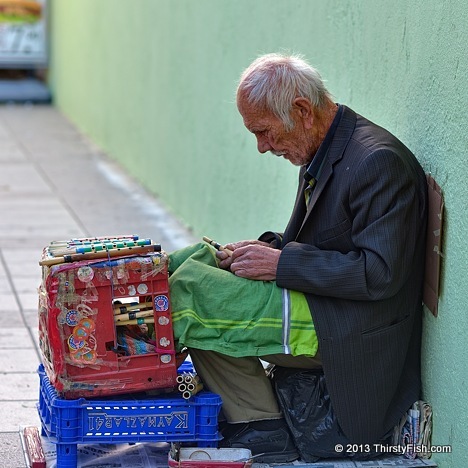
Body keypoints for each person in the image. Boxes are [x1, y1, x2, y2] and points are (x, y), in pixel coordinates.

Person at [182, 53, 428, 463]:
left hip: (354, 327)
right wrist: (265, 249)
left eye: (264, 132)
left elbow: (380, 273)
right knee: (197, 279)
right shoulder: (326, 146)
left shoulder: (377, 161)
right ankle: (257, 422)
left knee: (197, 304)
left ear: (301, 111)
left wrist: (280, 264)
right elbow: (323, 242)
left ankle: (260, 425)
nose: (263, 147)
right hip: (330, 304)